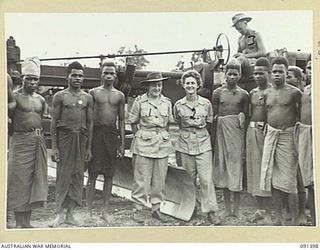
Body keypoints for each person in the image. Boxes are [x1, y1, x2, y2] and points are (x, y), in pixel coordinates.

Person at [173, 70, 221, 225]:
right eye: (187, 83)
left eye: (193, 83)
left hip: (203, 143)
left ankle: (211, 211)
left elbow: (209, 122)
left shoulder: (206, 104)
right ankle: (190, 209)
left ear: (198, 85)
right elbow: (178, 123)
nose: (190, 85)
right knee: (189, 179)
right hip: (185, 143)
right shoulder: (179, 105)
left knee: (206, 180)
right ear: (183, 85)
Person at [50, 61, 94, 227]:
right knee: (63, 175)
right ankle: (59, 214)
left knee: (77, 175)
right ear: (67, 76)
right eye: (74, 75)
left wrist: (89, 147)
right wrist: (54, 147)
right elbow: (54, 122)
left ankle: (70, 214)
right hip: (64, 139)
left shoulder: (87, 97)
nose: (77, 78)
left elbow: (90, 123)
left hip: (81, 140)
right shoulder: (60, 96)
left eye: (80, 76)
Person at [260, 57, 302, 226]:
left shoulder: (294, 92)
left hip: (288, 137)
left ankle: (294, 220)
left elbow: (302, 114)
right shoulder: (267, 93)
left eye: (281, 72)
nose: (277, 75)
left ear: (286, 73)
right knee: (273, 179)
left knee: (290, 182)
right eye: (274, 71)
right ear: (271, 74)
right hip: (271, 137)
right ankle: (278, 219)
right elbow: (265, 114)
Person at [7, 57, 48, 228]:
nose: (32, 82)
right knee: (19, 180)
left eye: (35, 79)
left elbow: (42, 119)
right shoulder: (14, 98)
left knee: (34, 180)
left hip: (37, 141)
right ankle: (18, 221)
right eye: (29, 78)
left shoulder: (41, 100)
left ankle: (27, 222)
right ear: (22, 79)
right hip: (20, 140)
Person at [129, 72, 174, 222]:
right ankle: (138, 209)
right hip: (144, 144)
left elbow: (169, 124)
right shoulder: (140, 101)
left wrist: (162, 136)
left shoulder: (167, 102)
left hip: (162, 143)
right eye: (154, 84)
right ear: (148, 86)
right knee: (141, 179)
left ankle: (156, 209)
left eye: (159, 85)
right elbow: (133, 122)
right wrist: (140, 136)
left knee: (159, 180)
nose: (157, 87)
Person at [85, 60, 125, 222]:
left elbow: (121, 120)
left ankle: (105, 211)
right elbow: (88, 120)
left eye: (112, 73)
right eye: (106, 73)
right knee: (93, 173)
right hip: (96, 134)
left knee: (109, 175)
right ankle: (88, 211)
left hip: (111, 134)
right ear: (101, 74)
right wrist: (88, 146)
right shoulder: (93, 93)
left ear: (115, 76)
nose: (109, 76)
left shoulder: (120, 95)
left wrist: (121, 144)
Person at [212, 58, 249, 218]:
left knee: (236, 168)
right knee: (224, 168)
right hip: (221, 134)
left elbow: (246, 116)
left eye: (235, 74)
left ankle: (237, 209)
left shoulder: (244, 94)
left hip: (236, 135)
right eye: (229, 73)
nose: (232, 77)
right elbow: (214, 116)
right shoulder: (218, 93)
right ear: (225, 74)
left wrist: (241, 116)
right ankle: (227, 208)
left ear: (240, 75)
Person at [245, 57, 272, 224]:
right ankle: (259, 209)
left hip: (267, 133)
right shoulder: (252, 93)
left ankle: (269, 211)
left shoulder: (272, 91)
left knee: (266, 170)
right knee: (254, 170)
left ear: (268, 73)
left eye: (261, 73)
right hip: (252, 131)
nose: (257, 76)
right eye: (255, 73)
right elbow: (248, 113)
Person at [293, 58, 315, 226]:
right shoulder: (305, 91)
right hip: (306, 134)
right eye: (309, 67)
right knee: (308, 179)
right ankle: (314, 220)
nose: (312, 70)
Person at [232, 13, 266, 79]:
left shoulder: (256, 34)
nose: (239, 31)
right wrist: (235, 56)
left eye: (240, 29)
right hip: (243, 63)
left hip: (255, 63)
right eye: (237, 30)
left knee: (240, 59)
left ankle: (235, 78)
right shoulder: (240, 39)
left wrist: (245, 56)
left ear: (245, 23)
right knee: (233, 61)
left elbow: (263, 52)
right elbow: (239, 54)